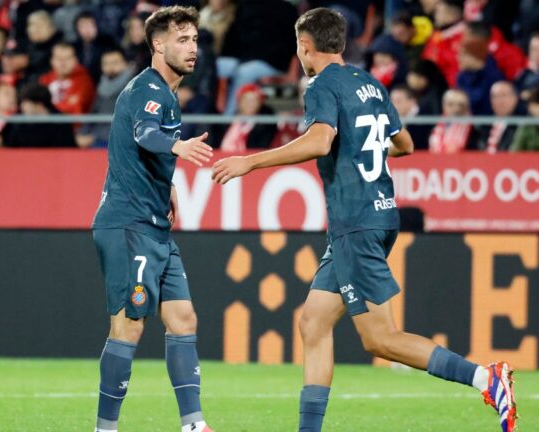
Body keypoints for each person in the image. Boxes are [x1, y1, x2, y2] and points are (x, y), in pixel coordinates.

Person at [212, 8, 516, 432]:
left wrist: (251, 162)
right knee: (313, 321)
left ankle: (487, 378)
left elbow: (320, 142)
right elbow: (405, 144)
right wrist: (361, 149)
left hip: (355, 220)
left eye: (299, 45)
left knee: (381, 339)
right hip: (378, 213)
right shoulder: (370, 83)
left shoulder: (321, 84)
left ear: (305, 46)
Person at [91, 6, 215, 432]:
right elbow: (146, 133)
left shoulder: (168, 92)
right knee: (129, 325)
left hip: (153, 225)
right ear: (158, 45)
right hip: (128, 225)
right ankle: (105, 428)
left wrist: (170, 185)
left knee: (183, 319)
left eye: (195, 39)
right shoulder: (150, 89)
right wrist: (177, 147)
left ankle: (193, 424)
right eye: (182, 40)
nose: (192, 47)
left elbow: (137, 146)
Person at [39, 42, 96, 115]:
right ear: (52, 60)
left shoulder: (84, 81)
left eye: (67, 58)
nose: (63, 63)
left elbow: (74, 108)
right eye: (59, 58)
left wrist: (47, 110)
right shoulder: (44, 80)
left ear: (75, 60)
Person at [479, 81, 522, 153]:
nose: (499, 101)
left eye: (504, 95)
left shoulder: (521, 125)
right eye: (495, 96)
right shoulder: (483, 124)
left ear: (515, 98)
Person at [429, 88, 477, 153]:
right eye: (451, 104)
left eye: (461, 105)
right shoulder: (435, 123)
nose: (456, 109)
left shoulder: (472, 129)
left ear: (467, 108)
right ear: (444, 106)